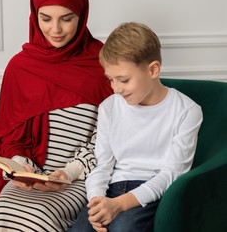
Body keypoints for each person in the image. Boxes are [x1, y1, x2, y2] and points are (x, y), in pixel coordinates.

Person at [0, 0, 113, 231]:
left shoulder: (103, 64)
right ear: (34, 16)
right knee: (4, 210)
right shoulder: (20, 68)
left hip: (81, 177)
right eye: (46, 19)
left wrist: (70, 172)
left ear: (82, 15)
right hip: (33, 176)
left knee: (41, 216)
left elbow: (110, 136)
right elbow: (8, 136)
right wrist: (20, 166)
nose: (55, 29)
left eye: (67, 19)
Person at [72, 22, 203, 232]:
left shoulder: (187, 111)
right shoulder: (109, 108)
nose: (116, 89)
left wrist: (119, 204)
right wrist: (97, 201)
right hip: (112, 188)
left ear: (153, 69)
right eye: (111, 80)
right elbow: (102, 165)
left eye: (123, 80)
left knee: (123, 228)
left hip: (150, 193)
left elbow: (172, 173)